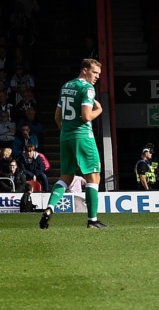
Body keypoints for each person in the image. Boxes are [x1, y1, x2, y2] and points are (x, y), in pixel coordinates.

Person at [40, 58, 108, 230]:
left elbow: (57, 116)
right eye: (94, 72)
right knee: (93, 176)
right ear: (84, 70)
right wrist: (99, 110)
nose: (97, 77)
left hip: (65, 136)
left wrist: (66, 131)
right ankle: (92, 220)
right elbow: (86, 116)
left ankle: (50, 207)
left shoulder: (66, 86)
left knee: (66, 177)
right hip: (83, 136)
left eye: (98, 74)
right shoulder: (87, 88)